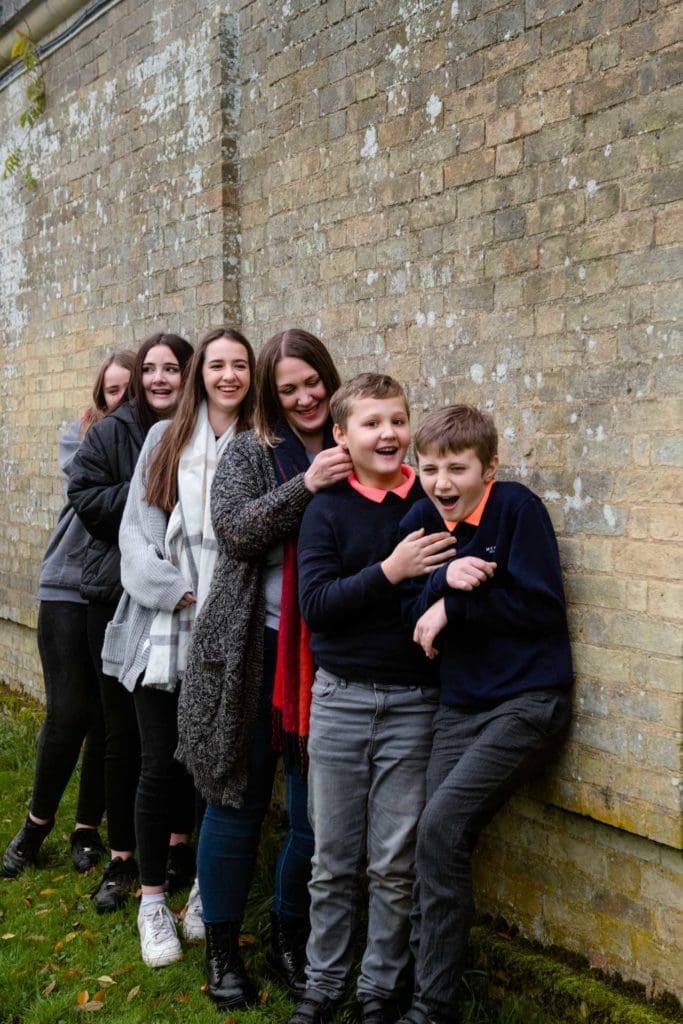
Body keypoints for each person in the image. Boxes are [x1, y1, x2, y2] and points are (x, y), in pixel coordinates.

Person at [176, 328, 353, 1011]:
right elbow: (236, 531)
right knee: (236, 800)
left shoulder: (357, 441)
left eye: (313, 383)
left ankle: (287, 935)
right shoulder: (255, 450)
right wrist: (307, 484)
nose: (305, 397)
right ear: (271, 397)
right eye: (289, 388)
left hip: (323, 661)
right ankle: (222, 948)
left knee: (313, 817)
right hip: (249, 649)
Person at [395, 405, 573, 1024]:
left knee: (442, 827)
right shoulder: (423, 518)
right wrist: (444, 580)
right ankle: (420, 995)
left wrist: (457, 607)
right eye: (429, 468)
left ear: (488, 467)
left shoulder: (516, 510)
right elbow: (409, 616)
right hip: (461, 705)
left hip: (527, 701)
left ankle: (430, 1009)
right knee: (431, 841)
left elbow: (541, 609)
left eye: (457, 469)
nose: (441, 483)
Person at [290, 374, 455, 1024]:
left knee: (392, 864)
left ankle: (376, 992)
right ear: (341, 436)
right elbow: (316, 608)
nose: (386, 434)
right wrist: (391, 571)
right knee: (332, 862)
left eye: (396, 420)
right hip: (340, 700)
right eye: (370, 423)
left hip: (416, 703)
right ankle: (322, 986)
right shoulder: (325, 509)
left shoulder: (434, 499)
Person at [100, 327, 255, 968]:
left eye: (239, 365)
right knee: (159, 765)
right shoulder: (166, 437)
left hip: (231, 628)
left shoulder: (257, 442)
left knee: (210, 762)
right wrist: (173, 590)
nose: (227, 375)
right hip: (164, 624)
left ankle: (201, 893)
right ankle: (152, 902)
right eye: (216, 364)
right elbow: (134, 530)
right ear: (201, 374)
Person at [68, 332, 194, 913]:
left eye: (173, 369)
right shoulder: (116, 431)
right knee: (125, 737)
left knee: (175, 743)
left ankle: (174, 849)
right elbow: (86, 497)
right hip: (117, 593)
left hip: (187, 607)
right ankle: (121, 860)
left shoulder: (206, 431)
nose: (160, 380)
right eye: (151, 370)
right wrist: (150, 498)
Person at [2, 351, 135, 878]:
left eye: (130, 389)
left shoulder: (155, 439)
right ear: (99, 395)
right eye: (112, 389)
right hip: (66, 585)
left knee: (107, 715)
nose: (120, 398)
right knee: (67, 712)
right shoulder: (81, 436)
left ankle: (86, 828)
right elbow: (97, 487)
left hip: (117, 592)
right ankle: (35, 825)